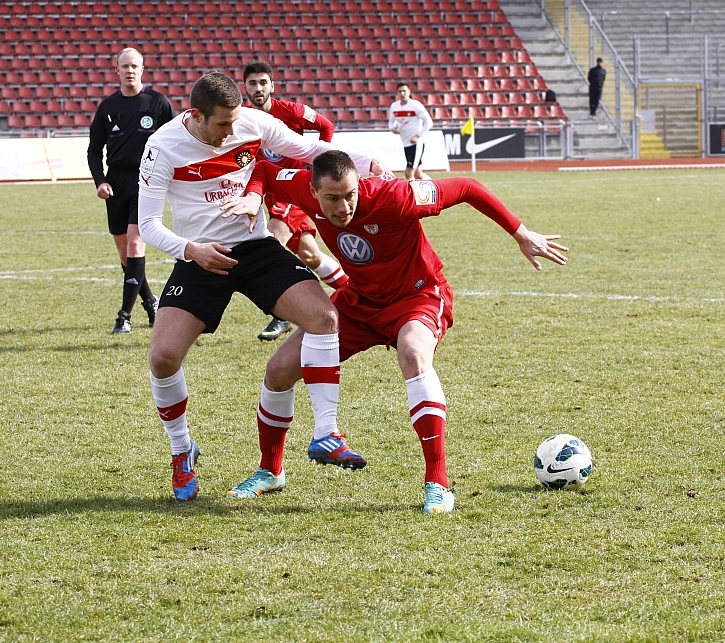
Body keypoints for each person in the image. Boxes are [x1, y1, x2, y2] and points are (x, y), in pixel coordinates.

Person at [220, 151, 567, 513]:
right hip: (359, 300)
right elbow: (263, 169)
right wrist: (254, 195)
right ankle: (270, 471)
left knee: (414, 353)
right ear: (313, 191)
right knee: (279, 369)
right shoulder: (300, 186)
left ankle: (438, 483)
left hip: (417, 296)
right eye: (332, 199)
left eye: (350, 195)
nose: (343, 207)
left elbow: (467, 186)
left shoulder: (397, 197)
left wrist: (521, 233)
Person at [137, 72, 391, 502]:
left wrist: (367, 162)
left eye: (236, 121)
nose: (232, 130)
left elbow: (309, 150)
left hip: (256, 248)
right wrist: (192, 250)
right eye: (223, 124)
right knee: (162, 358)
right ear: (196, 115)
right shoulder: (162, 147)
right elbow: (147, 225)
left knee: (324, 317)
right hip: (201, 256)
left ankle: (327, 432)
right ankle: (182, 450)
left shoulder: (251, 122)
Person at [242, 60, 350, 342]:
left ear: (272, 86)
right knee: (310, 255)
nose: (258, 88)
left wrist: (315, 164)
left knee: (269, 245)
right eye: (252, 83)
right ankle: (354, 292)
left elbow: (326, 126)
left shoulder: (292, 111)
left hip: (294, 189)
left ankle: (282, 313)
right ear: (245, 88)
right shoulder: (245, 118)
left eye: (263, 82)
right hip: (272, 193)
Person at [87, 47, 175, 333]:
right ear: (117, 70)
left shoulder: (158, 102)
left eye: (134, 66)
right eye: (124, 66)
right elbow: (93, 151)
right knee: (125, 252)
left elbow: (176, 141)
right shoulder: (107, 107)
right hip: (116, 184)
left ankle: (124, 316)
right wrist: (101, 181)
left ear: (142, 69)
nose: (129, 70)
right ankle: (151, 302)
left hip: (147, 181)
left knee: (136, 242)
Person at [388, 81, 433, 180]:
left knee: (409, 173)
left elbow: (429, 122)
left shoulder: (415, 105)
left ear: (409, 91)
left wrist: (418, 135)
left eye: (404, 91)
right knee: (418, 174)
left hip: (416, 144)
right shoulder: (394, 107)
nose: (402, 93)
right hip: (405, 142)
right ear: (397, 93)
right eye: (400, 91)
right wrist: (392, 128)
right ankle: (435, 186)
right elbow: (391, 122)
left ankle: (414, 191)